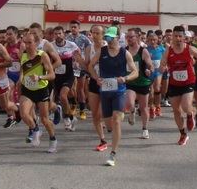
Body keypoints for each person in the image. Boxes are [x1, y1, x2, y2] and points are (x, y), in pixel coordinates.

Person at [90, 26, 138, 166]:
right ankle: (117, 123)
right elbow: (90, 66)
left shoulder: (125, 53)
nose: (108, 40)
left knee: (116, 120)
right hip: (105, 91)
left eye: (111, 37)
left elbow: (135, 72)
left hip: (119, 91)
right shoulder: (101, 51)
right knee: (108, 123)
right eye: (107, 37)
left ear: (118, 37)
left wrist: (125, 78)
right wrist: (96, 78)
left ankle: (113, 154)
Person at [159, 25, 197, 146]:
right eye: (175, 36)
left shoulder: (189, 49)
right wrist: (162, 68)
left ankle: (191, 114)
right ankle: (183, 134)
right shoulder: (168, 51)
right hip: (174, 84)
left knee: (186, 106)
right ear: (172, 38)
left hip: (188, 82)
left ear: (184, 38)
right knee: (176, 110)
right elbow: (162, 65)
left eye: (180, 36)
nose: (177, 38)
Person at [19, 31, 58, 152]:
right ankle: (35, 129)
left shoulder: (42, 55)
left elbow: (52, 75)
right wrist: (20, 80)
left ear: (36, 43)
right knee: (24, 114)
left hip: (41, 89)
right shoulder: (23, 55)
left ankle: (53, 140)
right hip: (27, 89)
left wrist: (39, 77)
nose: (27, 45)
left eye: (29, 42)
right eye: (25, 42)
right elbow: (23, 70)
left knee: (45, 120)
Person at [124, 28, 154, 138]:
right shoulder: (124, 51)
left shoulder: (143, 51)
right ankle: (132, 112)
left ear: (137, 37)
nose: (129, 39)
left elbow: (150, 65)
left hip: (143, 82)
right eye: (127, 37)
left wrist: (149, 70)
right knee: (129, 103)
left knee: (144, 107)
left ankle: (145, 128)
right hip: (130, 82)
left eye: (131, 37)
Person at [52, 25, 82, 131]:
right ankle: (71, 117)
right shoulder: (50, 46)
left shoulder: (71, 45)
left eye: (60, 33)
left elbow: (78, 55)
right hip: (55, 76)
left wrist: (77, 62)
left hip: (68, 75)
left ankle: (66, 118)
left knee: (63, 96)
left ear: (64, 34)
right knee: (55, 100)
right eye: (56, 34)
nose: (58, 36)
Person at [66, 19, 92, 120]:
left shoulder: (84, 39)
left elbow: (88, 51)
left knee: (80, 89)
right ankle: (73, 104)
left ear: (79, 28)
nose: (73, 29)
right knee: (69, 88)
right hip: (70, 66)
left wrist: (85, 62)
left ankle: (82, 110)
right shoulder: (67, 38)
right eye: (71, 27)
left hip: (80, 66)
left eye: (75, 27)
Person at [146, 31, 166, 119]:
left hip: (158, 71)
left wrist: (165, 66)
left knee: (157, 88)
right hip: (149, 72)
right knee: (150, 91)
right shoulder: (146, 49)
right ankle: (151, 107)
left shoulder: (161, 49)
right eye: (151, 40)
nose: (153, 41)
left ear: (157, 40)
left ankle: (158, 106)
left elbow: (166, 59)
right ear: (148, 40)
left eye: (154, 40)